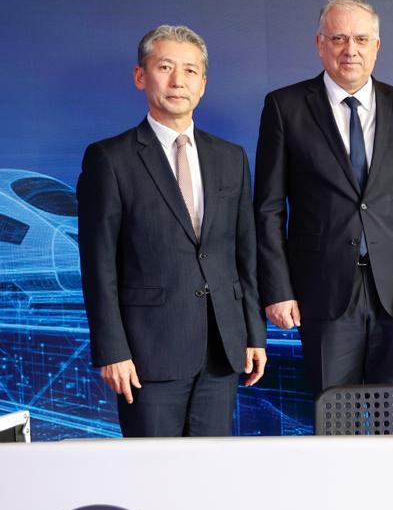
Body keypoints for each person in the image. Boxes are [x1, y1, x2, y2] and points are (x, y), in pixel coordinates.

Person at [77, 25, 266, 437]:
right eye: (165, 67)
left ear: (203, 84)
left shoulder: (231, 158)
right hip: (147, 354)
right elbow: (98, 266)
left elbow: (245, 254)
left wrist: (254, 334)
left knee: (209, 469)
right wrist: (112, 350)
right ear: (140, 76)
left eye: (190, 70)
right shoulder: (110, 159)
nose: (178, 80)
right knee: (152, 472)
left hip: (222, 350)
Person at [254, 0, 393, 400]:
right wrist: (278, 288)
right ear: (320, 44)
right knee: (333, 416)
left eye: (361, 39)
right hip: (322, 289)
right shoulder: (285, 107)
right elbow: (268, 209)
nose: (350, 49)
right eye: (338, 38)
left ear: (377, 46)